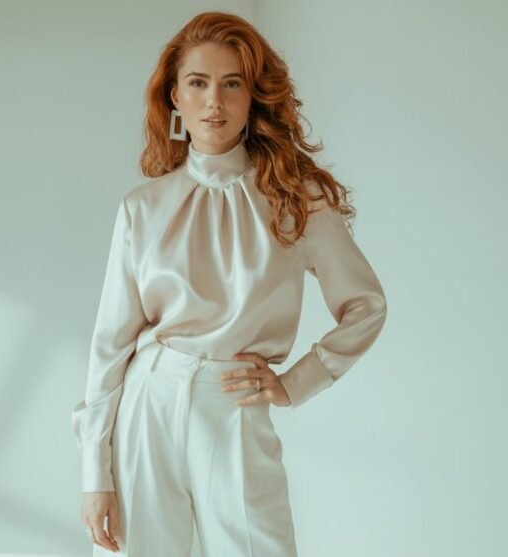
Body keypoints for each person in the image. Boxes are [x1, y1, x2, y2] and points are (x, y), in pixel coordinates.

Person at [72, 11, 387, 557]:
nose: (214, 101)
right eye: (198, 83)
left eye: (231, 83)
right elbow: (110, 344)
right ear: (175, 97)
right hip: (149, 402)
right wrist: (94, 474)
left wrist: (295, 383)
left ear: (252, 96)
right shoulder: (143, 209)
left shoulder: (297, 199)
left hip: (235, 405)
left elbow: (366, 305)